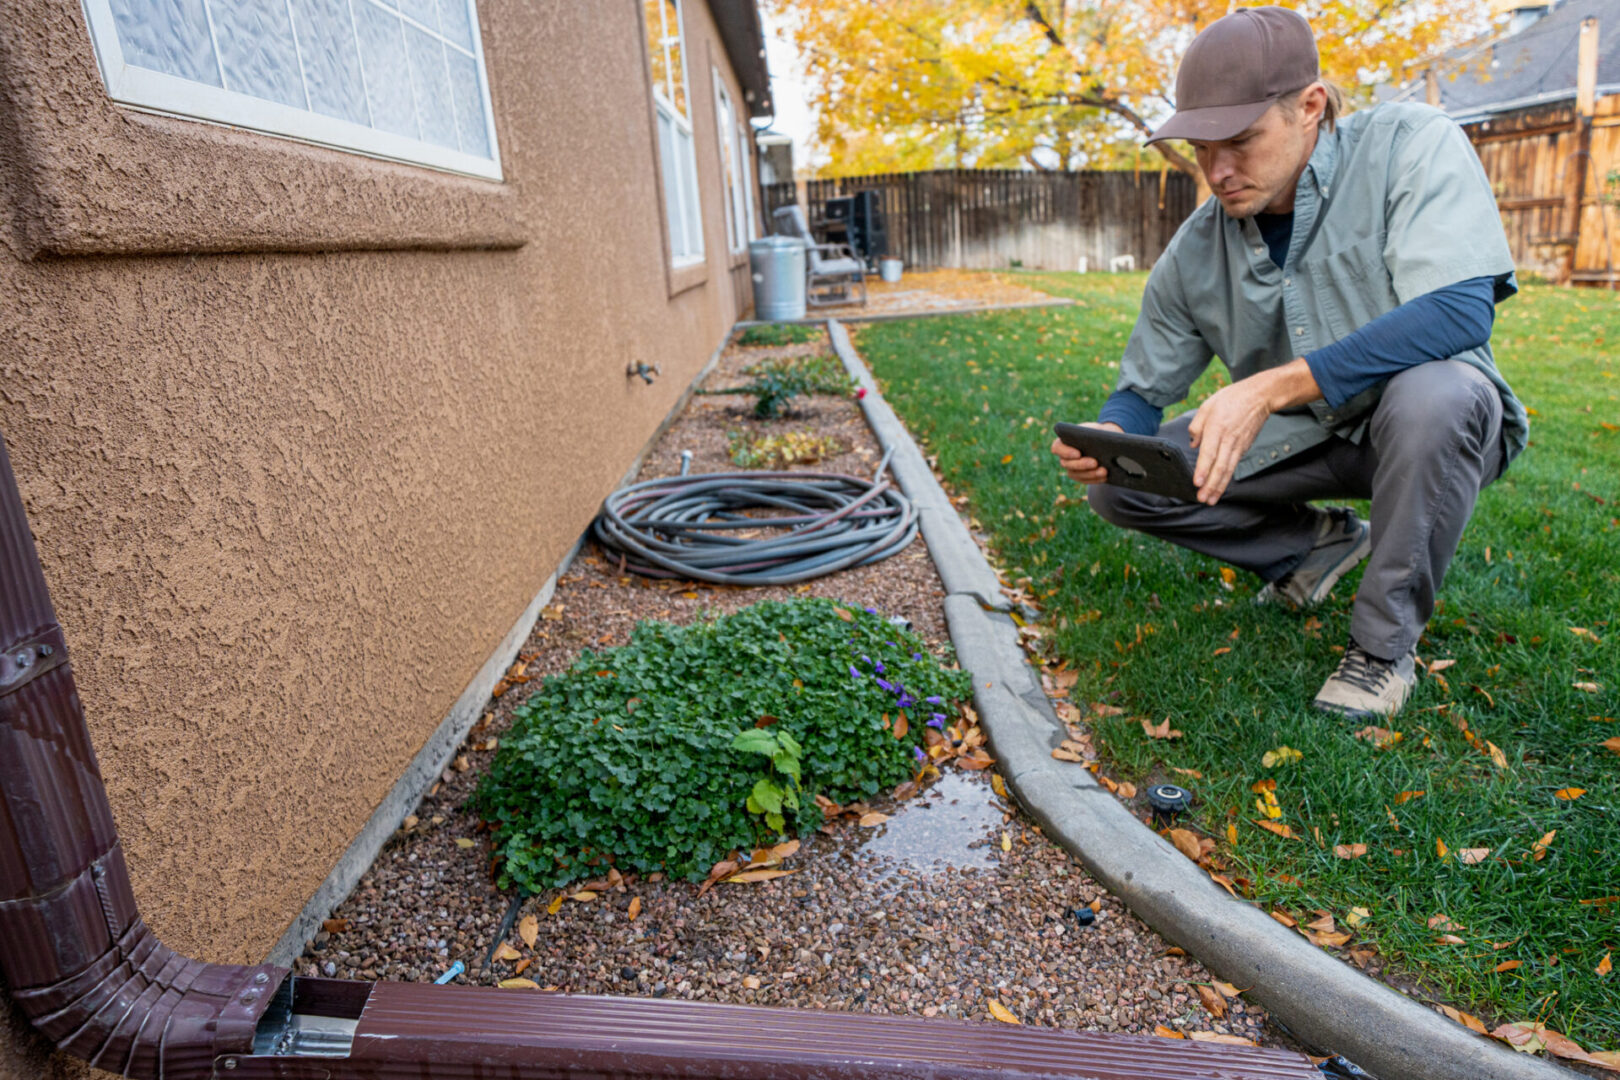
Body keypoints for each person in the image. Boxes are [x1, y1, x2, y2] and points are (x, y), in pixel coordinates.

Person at [1049, 6, 1524, 720]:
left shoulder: (1409, 144)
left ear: (1309, 108)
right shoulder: (1195, 247)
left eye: (1240, 141)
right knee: (1124, 487)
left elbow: (1460, 310)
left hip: (1432, 429)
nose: (1217, 171)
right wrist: (1111, 435)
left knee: (1437, 394)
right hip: (1308, 439)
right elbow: (1142, 392)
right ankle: (1312, 547)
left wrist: (1275, 386)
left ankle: (1381, 652)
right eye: (1203, 148)